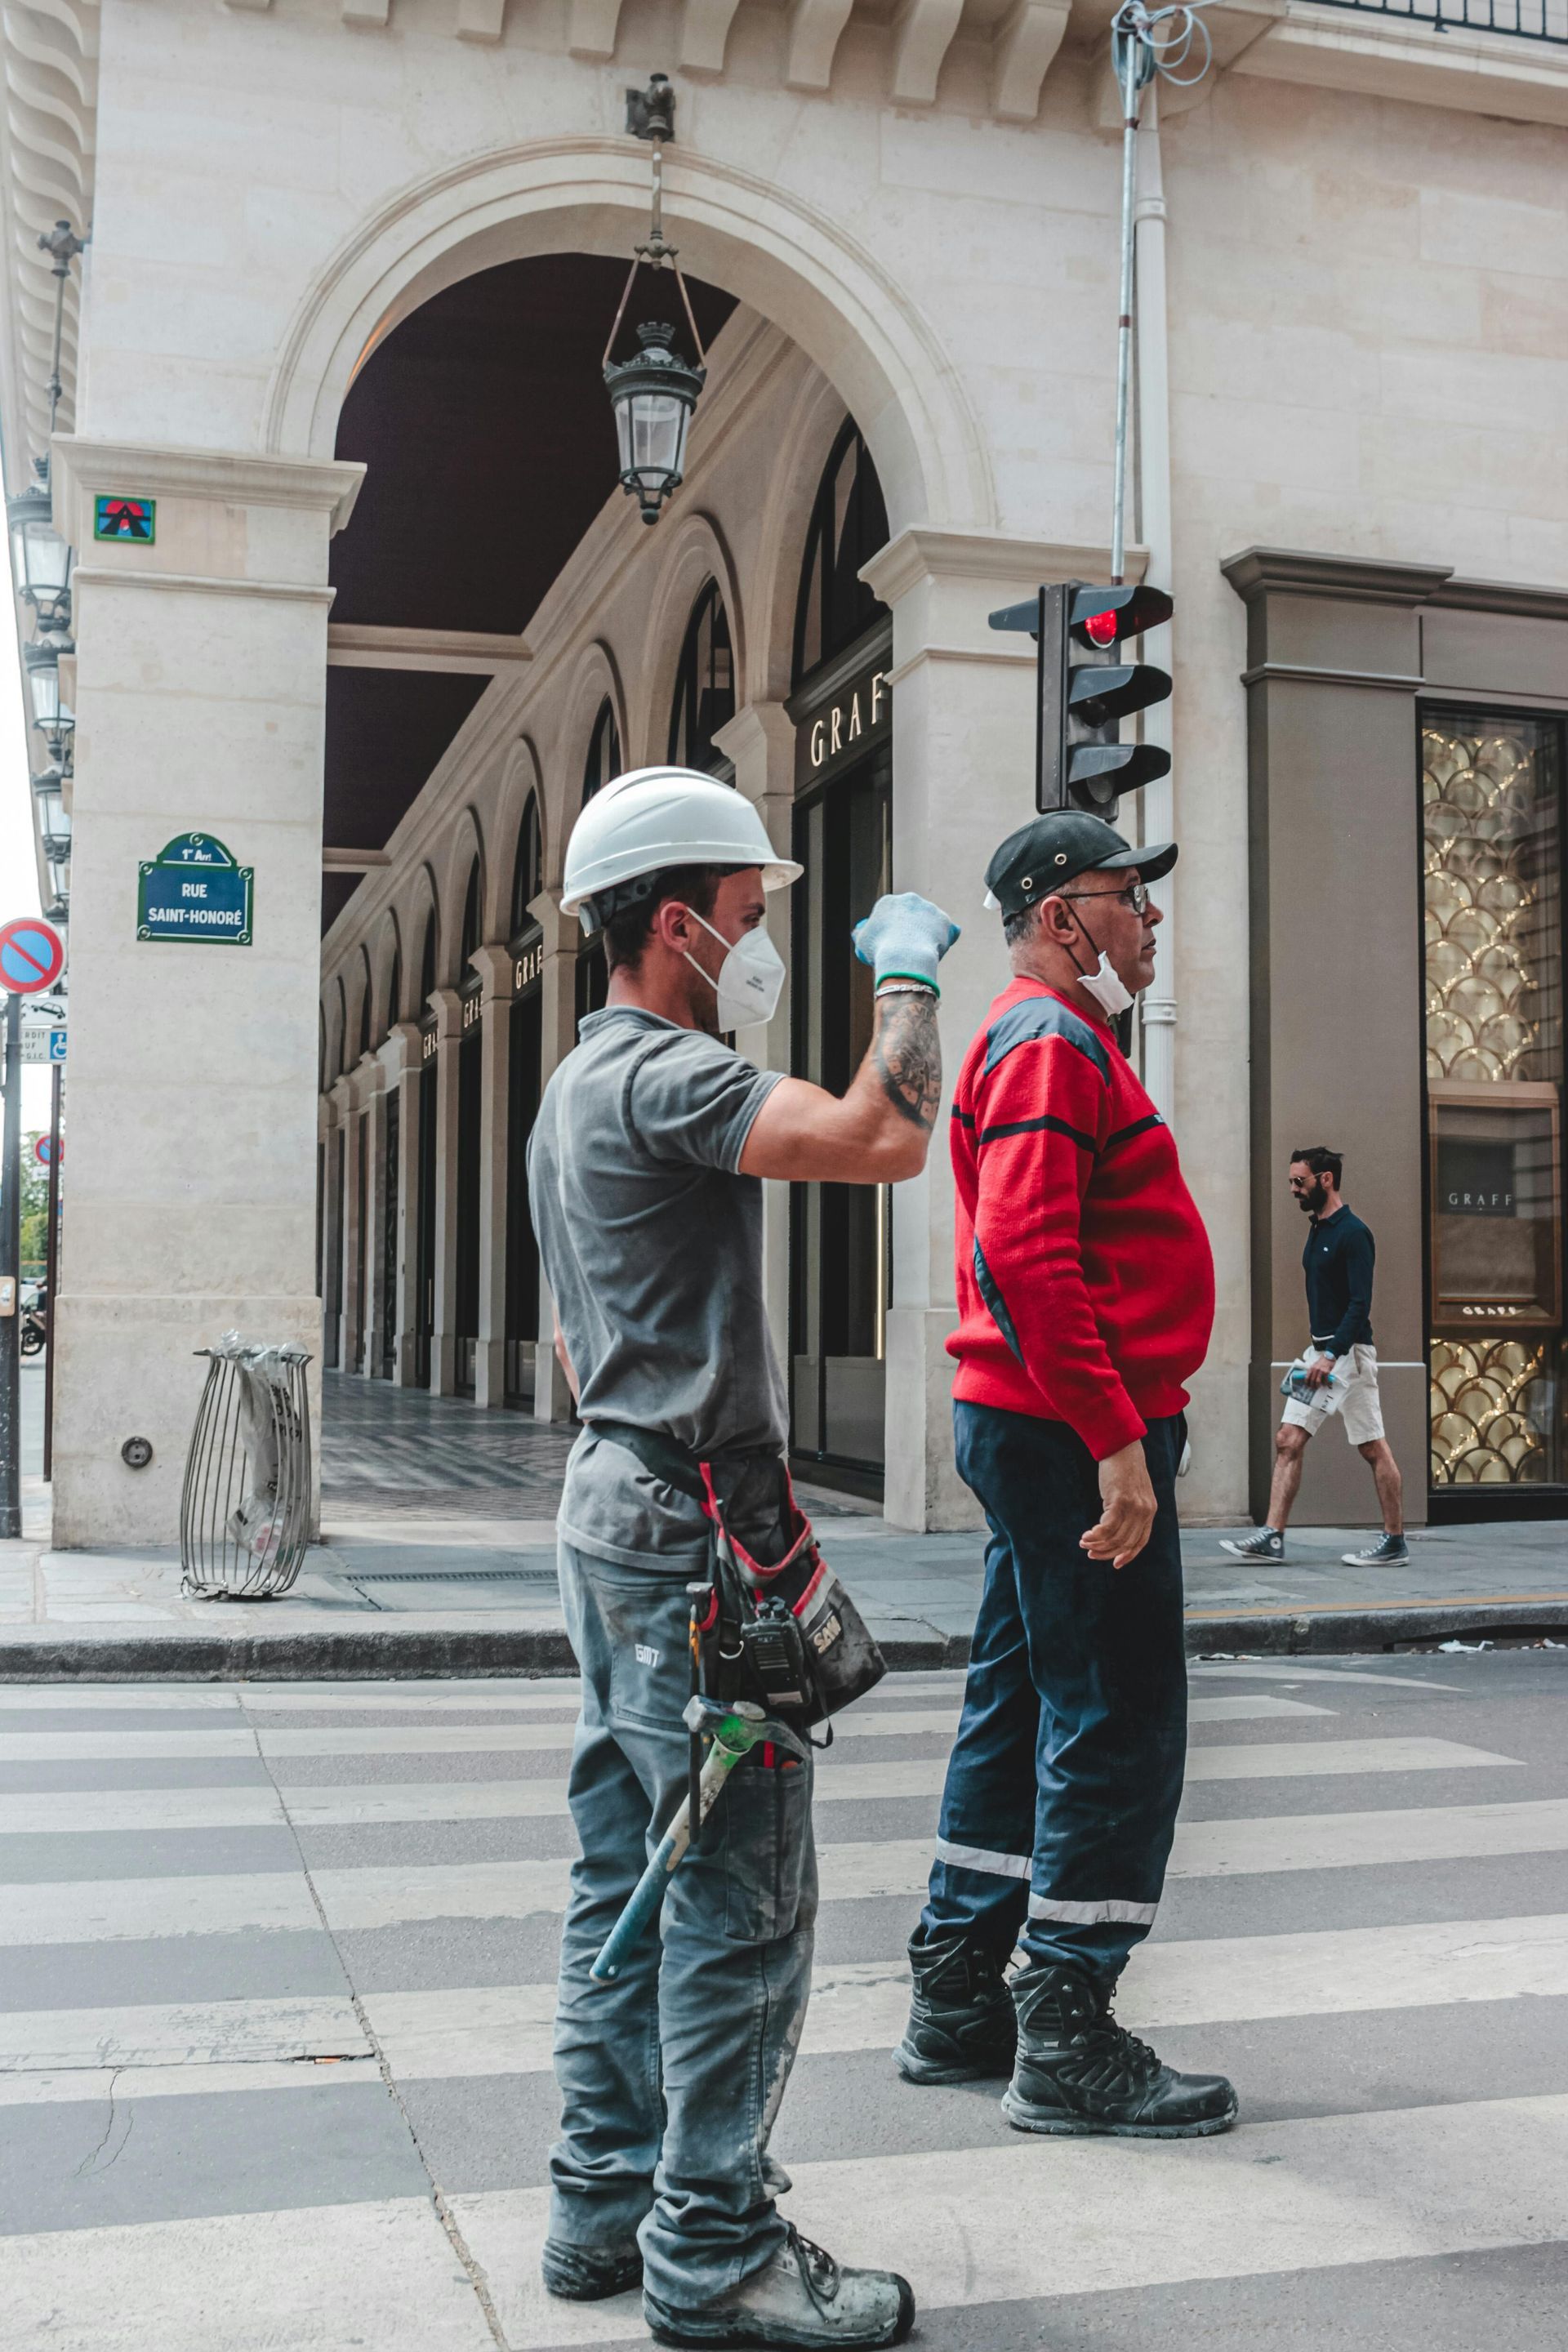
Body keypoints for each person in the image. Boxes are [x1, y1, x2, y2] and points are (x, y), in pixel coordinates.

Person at [528, 764, 958, 2350]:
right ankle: (714, 2255)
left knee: (617, 1882)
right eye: (749, 917)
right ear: (675, 925)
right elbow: (880, 1140)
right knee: (739, 1903)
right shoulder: (667, 1076)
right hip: (693, 1546)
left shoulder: (574, 1090)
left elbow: (579, 1341)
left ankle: (602, 2209)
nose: (760, 944)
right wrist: (907, 975)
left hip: (612, 1512)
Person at [895, 808, 1237, 2141]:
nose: (1147, 922)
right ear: (1060, 919)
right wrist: (1117, 1443)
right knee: (1119, 1712)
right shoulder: (1047, 1043)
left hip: (1033, 1418)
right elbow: (1030, 1261)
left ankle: (959, 1995)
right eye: (1127, 899)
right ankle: (1069, 2029)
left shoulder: (1050, 1042)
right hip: (1066, 1427)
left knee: (1021, 1701)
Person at [1220, 1146, 1407, 1568]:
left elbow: (1360, 1304)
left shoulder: (1354, 1233)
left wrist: (1331, 1354)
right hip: (1321, 1352)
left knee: (1371, 1448)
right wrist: (1319, 1352)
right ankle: (1273, 1536)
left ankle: (1394, 1541)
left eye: (1299, 1181)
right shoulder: (1318, 1229)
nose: (1293, 1189)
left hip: (1347, 1355)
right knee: (1292, 1440)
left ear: (1326, 1179)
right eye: (1291, 1181)